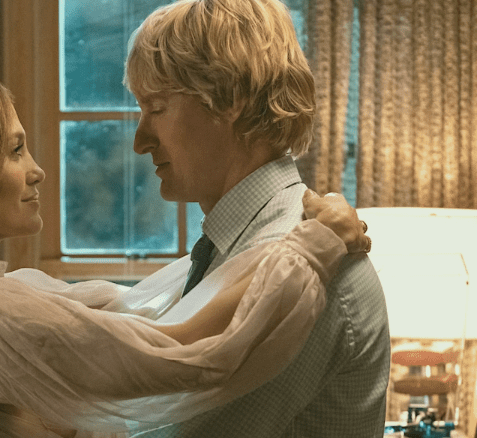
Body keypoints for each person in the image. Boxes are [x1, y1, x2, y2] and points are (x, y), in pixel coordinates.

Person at [0, 72, 370, 438]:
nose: (37, 170)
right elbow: (186, 351)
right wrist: (317, 243)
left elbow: (138, 317)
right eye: (15, 150)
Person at [122, 0, 390, 436]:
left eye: (156, 108)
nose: (140, 140)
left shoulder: (299, 269)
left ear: (229, 98)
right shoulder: (250, 249)